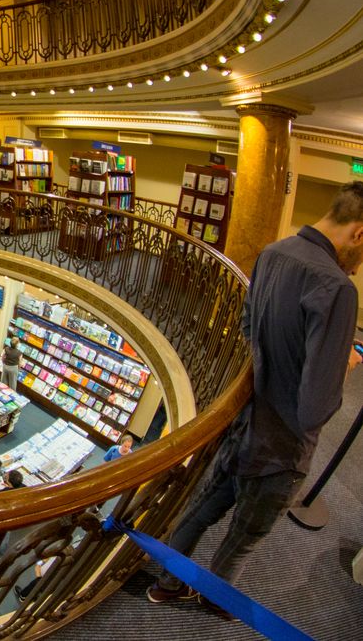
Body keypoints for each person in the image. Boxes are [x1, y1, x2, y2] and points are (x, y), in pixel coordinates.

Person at [146, 181, 363, 617]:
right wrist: (343, 366)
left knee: (200, 511)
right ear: (359, 233)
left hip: (244, 423)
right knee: (244, 536)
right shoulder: (338, 288)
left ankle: (167, 583)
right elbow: (316, 408)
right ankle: (216, 599)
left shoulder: (273, 252)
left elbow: (247, 328)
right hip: (281, 449)